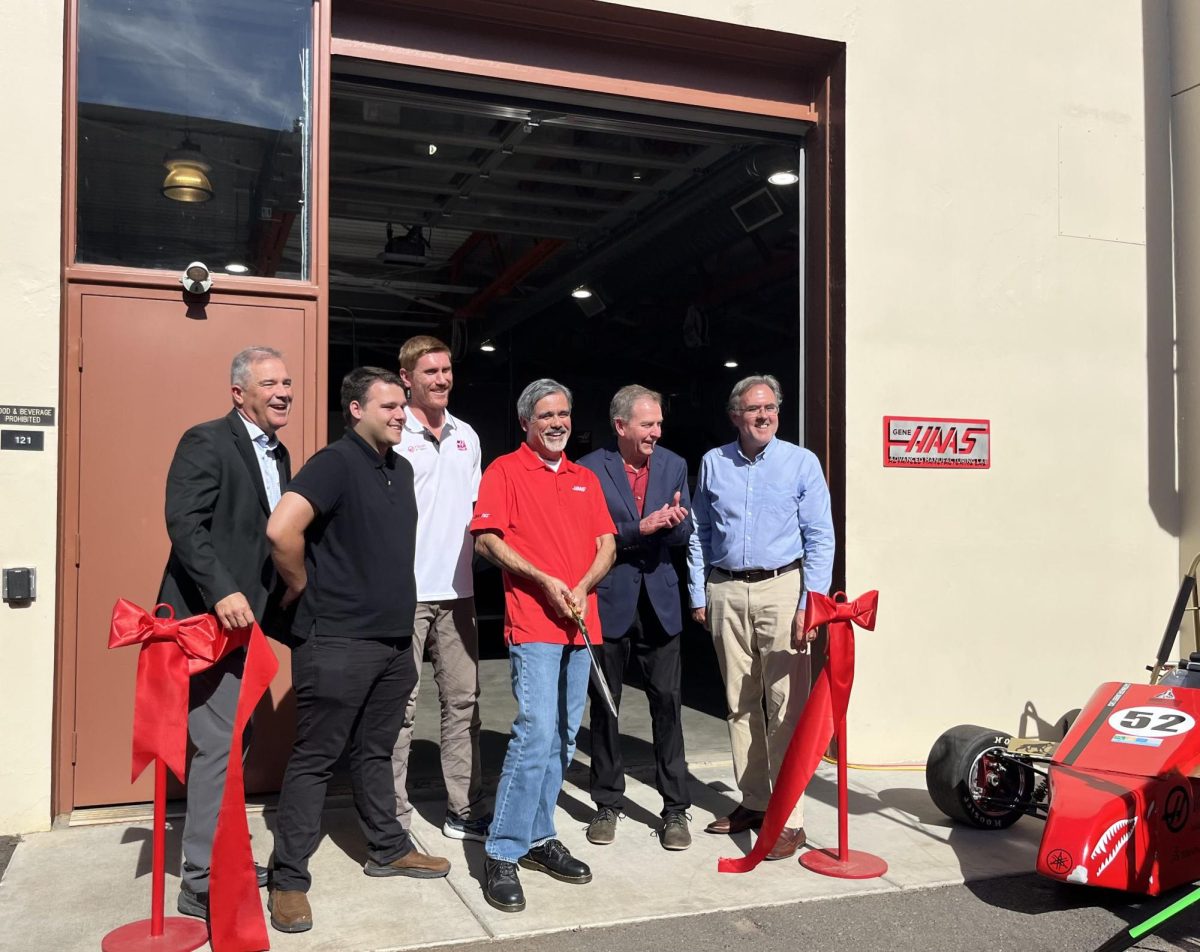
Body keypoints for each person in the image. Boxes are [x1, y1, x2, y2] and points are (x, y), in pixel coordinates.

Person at [265, 367, 449, 934]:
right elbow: (281, 530)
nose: (401, 414)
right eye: (389, 406)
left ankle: (388, 848)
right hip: (338, 639)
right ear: (356, 409)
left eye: (403, 406)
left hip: (394, 639)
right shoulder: (335, 462)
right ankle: (288, 878)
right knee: (317, 758)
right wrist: (298, 585)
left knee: (375, 751)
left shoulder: (400, 468)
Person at [156, 345, 293, 920]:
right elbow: (184, 522)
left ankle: (221, 854)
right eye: (270, 383)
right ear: (239, 393)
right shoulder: (207, 440)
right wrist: (222, 590)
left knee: (238, 743)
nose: (283, 391)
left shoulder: (278, 453)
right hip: (206, 623)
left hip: (251, 625)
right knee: (217, 748)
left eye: (287, 382)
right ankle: (200, 880)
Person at [471, 378, 616, 913]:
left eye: (564, 415)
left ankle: (538, 836)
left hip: (582, 623)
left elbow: (607, 545)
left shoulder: (584, 478)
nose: (557, 423)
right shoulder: (505, 471)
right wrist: (544, 580)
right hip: (533, 622)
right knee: (534, 735)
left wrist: (580, 586)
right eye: (546, 415)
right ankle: (502, 851)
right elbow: (487, 540)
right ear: (526, 423)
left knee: (561, 738)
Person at [686, 374, 834, 861]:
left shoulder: (801, 463)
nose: (764, 415)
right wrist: (700, 591)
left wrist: (808, 605)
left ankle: (790, 818)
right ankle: (754, 801)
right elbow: (699, 531)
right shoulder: (713, 463)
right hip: (727, 589)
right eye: (754, 409)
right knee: (739, 703)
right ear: (735, 416)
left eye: (771, 407)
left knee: (784, 707)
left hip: (782, 588)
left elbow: (820, 539)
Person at [577, 385, 693, 850]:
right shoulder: (588, 470)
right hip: (610, 601)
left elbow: (685, 533)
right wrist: (636, 530)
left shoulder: (675, 464)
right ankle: (607, 802)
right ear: (621, 425)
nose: (656, 433)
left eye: (659, 424)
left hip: (660, 604)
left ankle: (675, 810)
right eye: (647, 424)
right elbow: (589, 538)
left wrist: (677, 521)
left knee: (667, 704)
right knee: (606, 707)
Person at [390, 336, 487, 842]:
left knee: (464, 702)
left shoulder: (467, 436)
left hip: (459, 591)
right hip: (403, 593)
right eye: (430, 371)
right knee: (400, 708)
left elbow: (478, 515)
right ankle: (395, 820)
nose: (442, 379)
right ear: (407, 377)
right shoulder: (391, 432)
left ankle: (463, 809)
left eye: (447, 370)